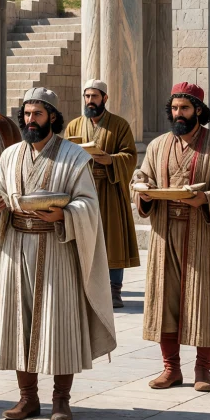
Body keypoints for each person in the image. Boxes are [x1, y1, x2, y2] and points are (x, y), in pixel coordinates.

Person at [0, 87, 115, 420]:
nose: (30, 121)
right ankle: (27, 398)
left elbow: (88, 204)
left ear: (52, 117)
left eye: (37, 114)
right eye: (27, 114)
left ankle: (61, 400)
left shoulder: (74, 156)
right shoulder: (10, 155)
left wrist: (64, 215)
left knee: (60, 325)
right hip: (17, 248)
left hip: (57, 250)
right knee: (19, 325)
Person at [132, 82, 210, 393]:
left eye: (184, 108)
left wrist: (206, 199)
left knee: (203, 301)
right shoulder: (158, 146)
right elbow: (142, 177)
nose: (178, 114)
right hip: (164, 233)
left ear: (198, 109)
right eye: (174, 108)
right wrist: (143, 189)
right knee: (165, 303)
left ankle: (203, 368)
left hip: (203, 233)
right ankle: (171, 368)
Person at [63, 78, 138, 308]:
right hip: (82, 190)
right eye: (87, 96)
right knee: (83, 236)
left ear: (104, 98)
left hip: (110, 189)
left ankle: (114, 290)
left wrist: (110, 160)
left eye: (94, 96)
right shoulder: (75, 125)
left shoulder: (120, 125)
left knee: (112, 239)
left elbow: (130, 156)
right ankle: (83, 288)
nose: (90, 101)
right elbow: (64, 154)